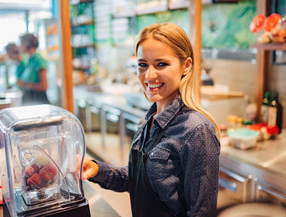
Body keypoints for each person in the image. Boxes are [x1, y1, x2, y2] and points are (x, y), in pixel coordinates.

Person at [82, 23, 221, 216]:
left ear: (186, 65)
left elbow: (202, 212)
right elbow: (137, 181)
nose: (149, 75)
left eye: (161, 64)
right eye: (143, 65)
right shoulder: (147, 121)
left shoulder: (196, 130)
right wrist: (96, 169)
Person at [17, 33, 49, 104]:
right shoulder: (28, 59)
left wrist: (24, 84)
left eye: (21, 43)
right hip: (29, 99)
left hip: (38, 100)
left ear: (27, 44)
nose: (19, 46)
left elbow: (44, 86)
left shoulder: (39, 60)